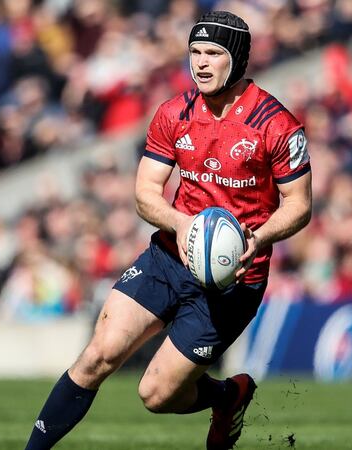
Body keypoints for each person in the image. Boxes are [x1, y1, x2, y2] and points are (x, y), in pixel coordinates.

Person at [24, 10, 312, 450]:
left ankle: (227, 396)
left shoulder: (276, 124)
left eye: (212, 53)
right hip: (169, 257)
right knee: (98, 355)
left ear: (236, 58)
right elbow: (145, 193)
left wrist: (259, 238)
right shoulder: (174, 113)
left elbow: (300, 205)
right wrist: (181, 223)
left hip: (233, 279)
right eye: (195, 52)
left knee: (155, 395)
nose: (201, 63)